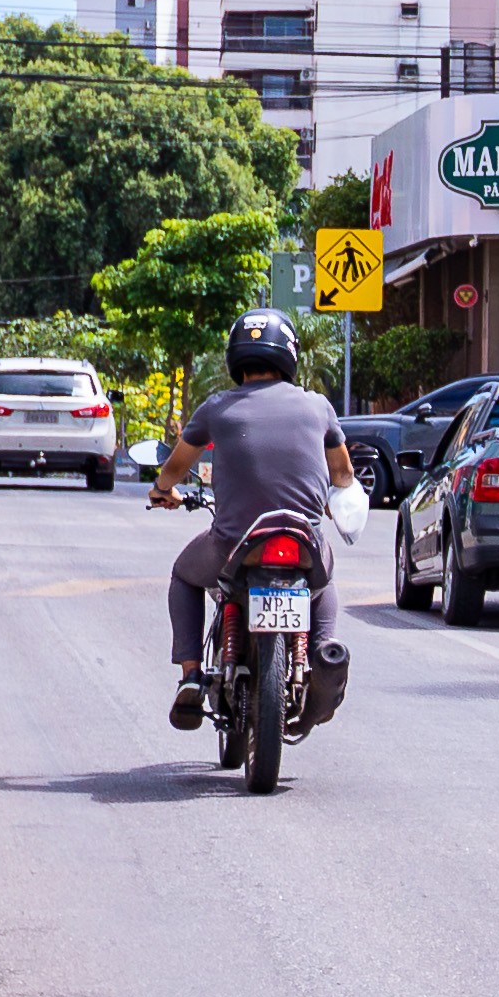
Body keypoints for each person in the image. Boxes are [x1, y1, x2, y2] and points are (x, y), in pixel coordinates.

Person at [164, 311, 357, 732]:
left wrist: (163, 490)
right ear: (288, 356)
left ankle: (192, 675)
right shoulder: (317, 406)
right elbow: (343, 475)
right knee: (322, 586)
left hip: (233, 543)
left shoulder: (216, 408)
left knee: (183, 574)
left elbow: (176, 467)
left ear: (236, 357)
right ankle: (323, 651)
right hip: (303, 539)